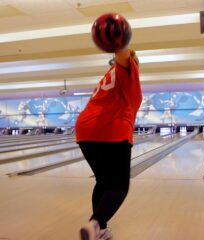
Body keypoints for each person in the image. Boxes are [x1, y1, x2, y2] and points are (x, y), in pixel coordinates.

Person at [75, 48, 142, 240]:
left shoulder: (105, 81)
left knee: (103, 182)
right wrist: (118, 39)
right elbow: (122, 55)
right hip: (111, 129)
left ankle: (101, 229)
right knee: (118, 187)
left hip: (84, 130)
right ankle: (95, 223)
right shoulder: (126, 70)